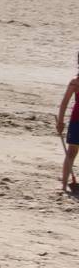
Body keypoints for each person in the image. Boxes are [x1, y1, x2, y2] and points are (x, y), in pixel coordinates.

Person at [56, 59, 79, 196]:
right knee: (71, 152)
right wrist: (60, 121)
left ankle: (65, 185)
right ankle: (64, 185)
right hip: (77, 121)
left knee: (71, 152)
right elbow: (64, 102)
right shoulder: (75, 81)